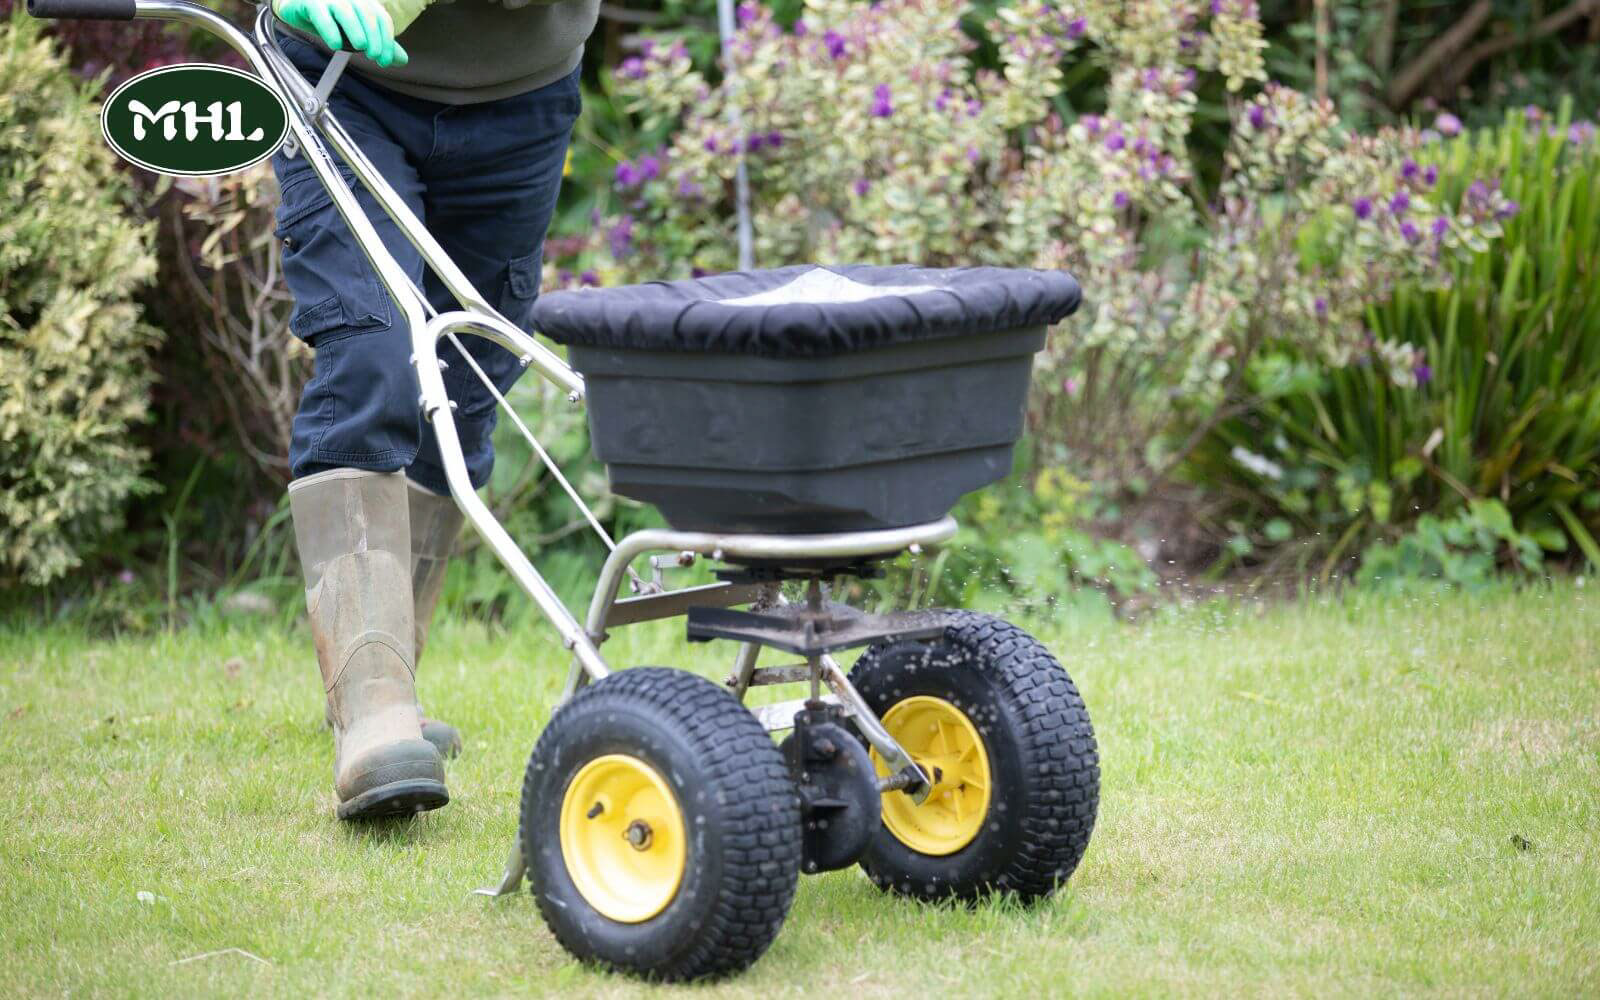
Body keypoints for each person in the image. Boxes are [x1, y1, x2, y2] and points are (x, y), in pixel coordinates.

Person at [270, 0, 599, 819]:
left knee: (467, 388)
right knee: (374, 348)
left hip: (522, 96)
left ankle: (386, 674)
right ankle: (373, 709)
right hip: (342, 78)